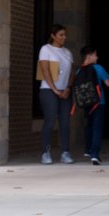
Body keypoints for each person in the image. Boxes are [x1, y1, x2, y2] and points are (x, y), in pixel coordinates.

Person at [37, 24, 75, 164]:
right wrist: (54, 89)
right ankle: (45, 153)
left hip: (65, 91)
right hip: (48, 90)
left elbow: (71, 73)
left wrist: (68, 88)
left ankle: (65, 152)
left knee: (65, 122)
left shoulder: (68, 52)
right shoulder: (46, 49)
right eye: (61, 35)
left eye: (65, 35)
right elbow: (45, 70)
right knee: (50, 120)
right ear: (53, 36)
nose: (64, 37)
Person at [77, 46, 109, 165]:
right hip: (99, 102)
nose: (97, 57)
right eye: (95, 55)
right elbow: (108, 84)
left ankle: (87, 150)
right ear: (89, 56)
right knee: (97, 127)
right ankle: (95, 154)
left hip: (86, 103)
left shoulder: (79, 70)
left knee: (89, 126)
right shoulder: (98, 68)